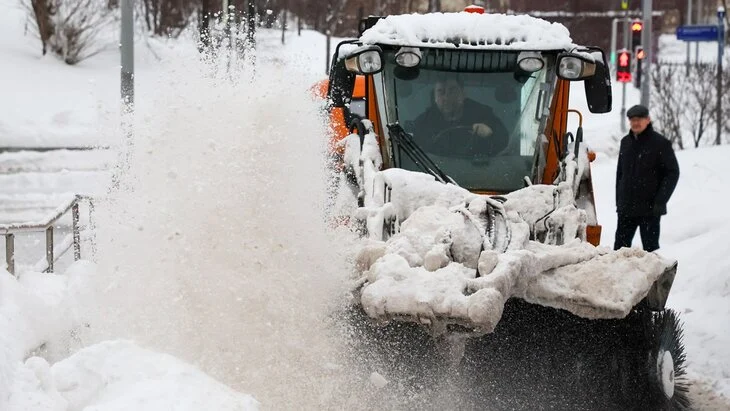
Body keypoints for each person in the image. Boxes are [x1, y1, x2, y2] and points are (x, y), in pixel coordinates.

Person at [614, 104, 679, 252]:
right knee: (619, 251)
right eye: (632, 120)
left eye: (639, 119)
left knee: (651, 253)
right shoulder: (625, 142)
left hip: (650, 209)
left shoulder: (660, 143)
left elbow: (672, 173)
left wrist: (660, 201)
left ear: (648, 120)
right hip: (626, 208)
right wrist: (619, 202)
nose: (635, 123)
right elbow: (620, 174)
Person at [412, 77, 508, 156]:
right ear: (435, 97)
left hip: (478, 169)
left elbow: (504, 142)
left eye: (452, 91)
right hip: (432, 171)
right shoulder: (423, 123)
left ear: (463, 94)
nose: (446, 97)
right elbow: (414, 151)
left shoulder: (484, 115)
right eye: (441, 92)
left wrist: (490, 133)